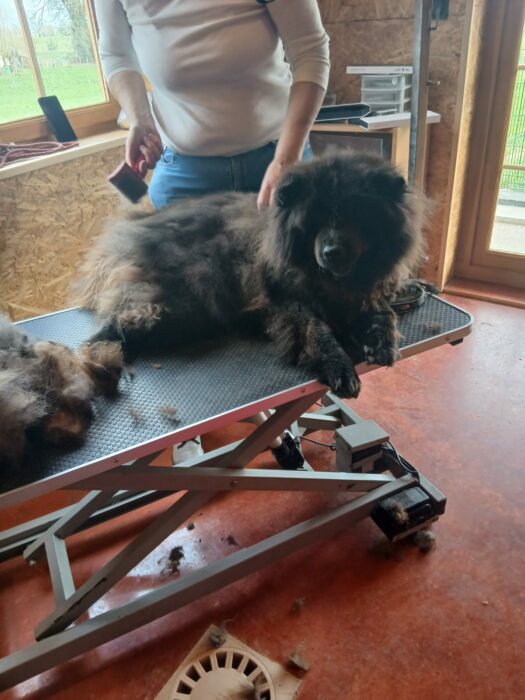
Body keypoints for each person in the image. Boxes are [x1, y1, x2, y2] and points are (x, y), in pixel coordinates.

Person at [94, 0, 330, 461]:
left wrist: (287, 158)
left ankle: (280, 418)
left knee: (281, 300)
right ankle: (188, 425)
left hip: (275, 159)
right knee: (186, 312)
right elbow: (117, 55)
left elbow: (311, 53)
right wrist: (139, 116)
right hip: (184, 171)